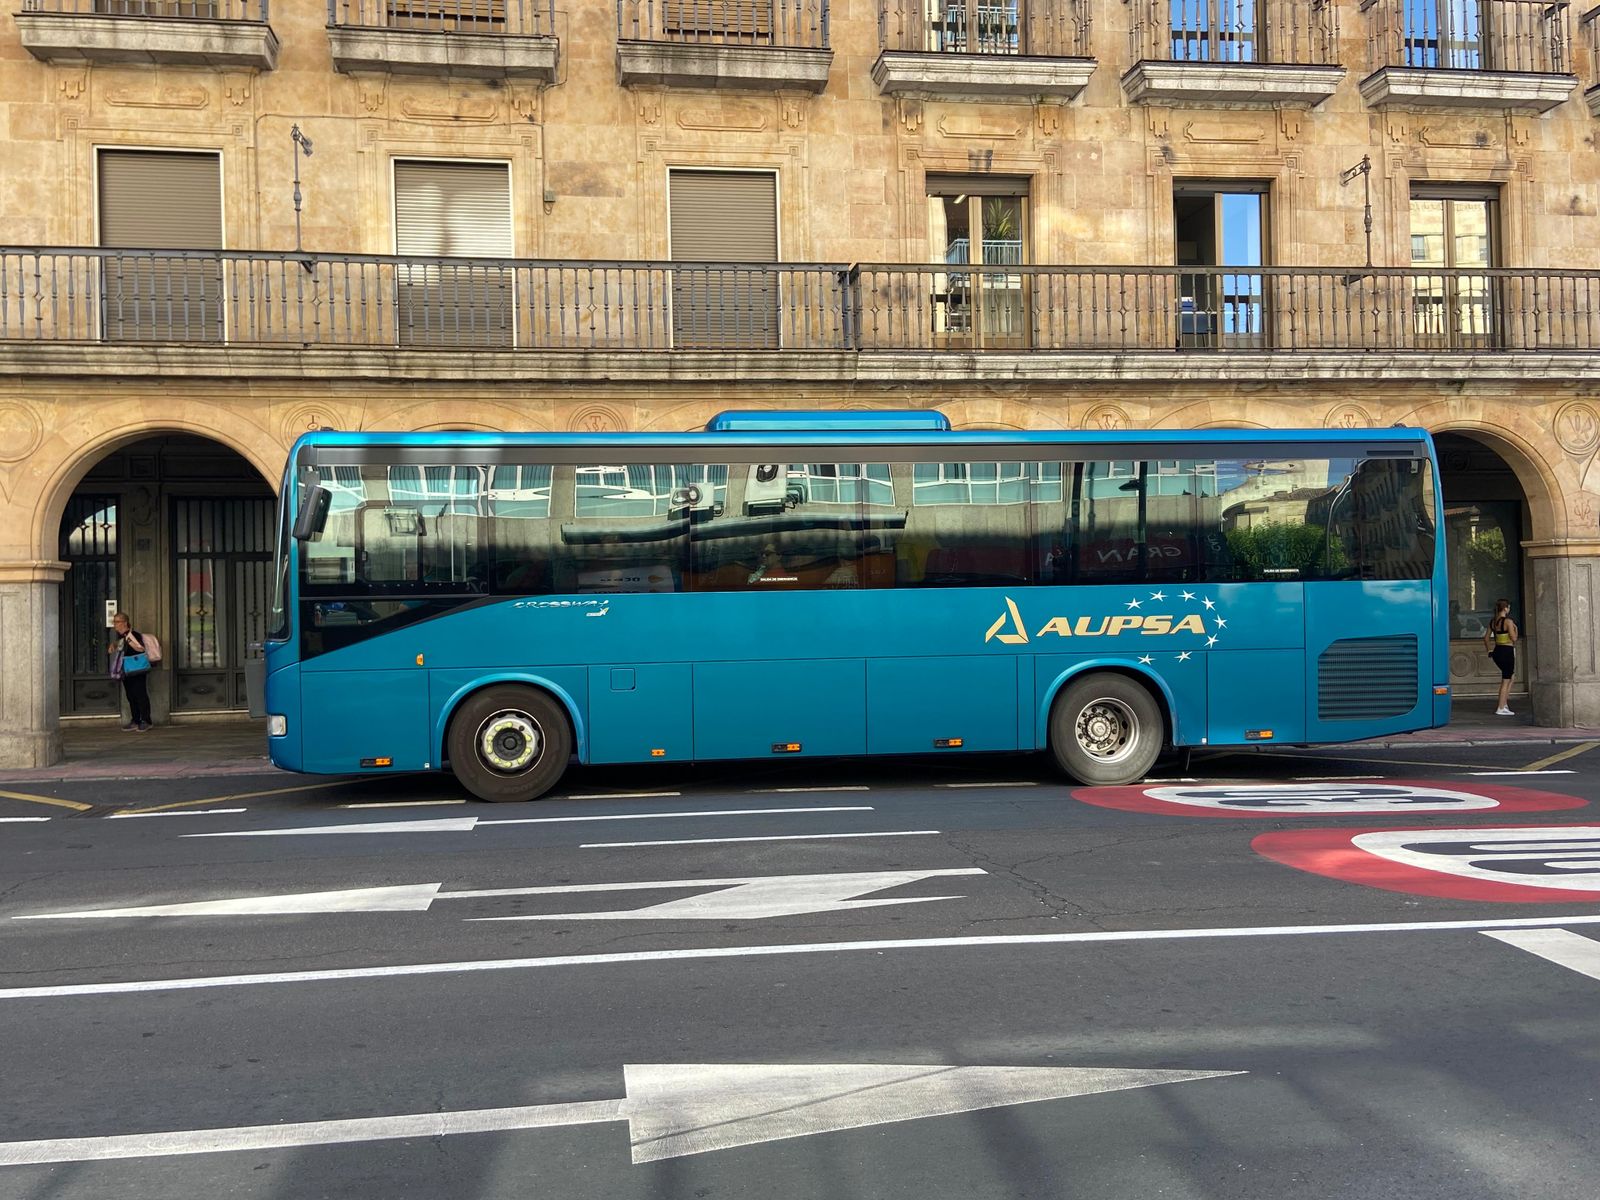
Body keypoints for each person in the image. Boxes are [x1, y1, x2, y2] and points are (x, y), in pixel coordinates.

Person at [109, 612, 153, 732]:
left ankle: (146, 720)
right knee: (131, 696)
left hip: (137, 670)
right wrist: (114, 645)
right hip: (126, 671)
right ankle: (136, 720)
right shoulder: (121, 637)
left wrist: (127, 639)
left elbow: (140, 648)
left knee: (140, 695)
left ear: (125, 623)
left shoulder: (134, 634)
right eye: (114, 622)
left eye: (117, 622)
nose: (115, 625)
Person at [1488, 598, 1519, 717]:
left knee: (1511, 677)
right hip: (1507, 651)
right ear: (1505, 608)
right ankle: (1501, 707)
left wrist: (1489, 650)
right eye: (1508, 607)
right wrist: (1515, 629)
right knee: (1506, 680)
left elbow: (1486, 638)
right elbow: (1514, 638)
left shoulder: (1492, 622)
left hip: (1497, 651)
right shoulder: (1508, 622)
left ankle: (1504, 703)